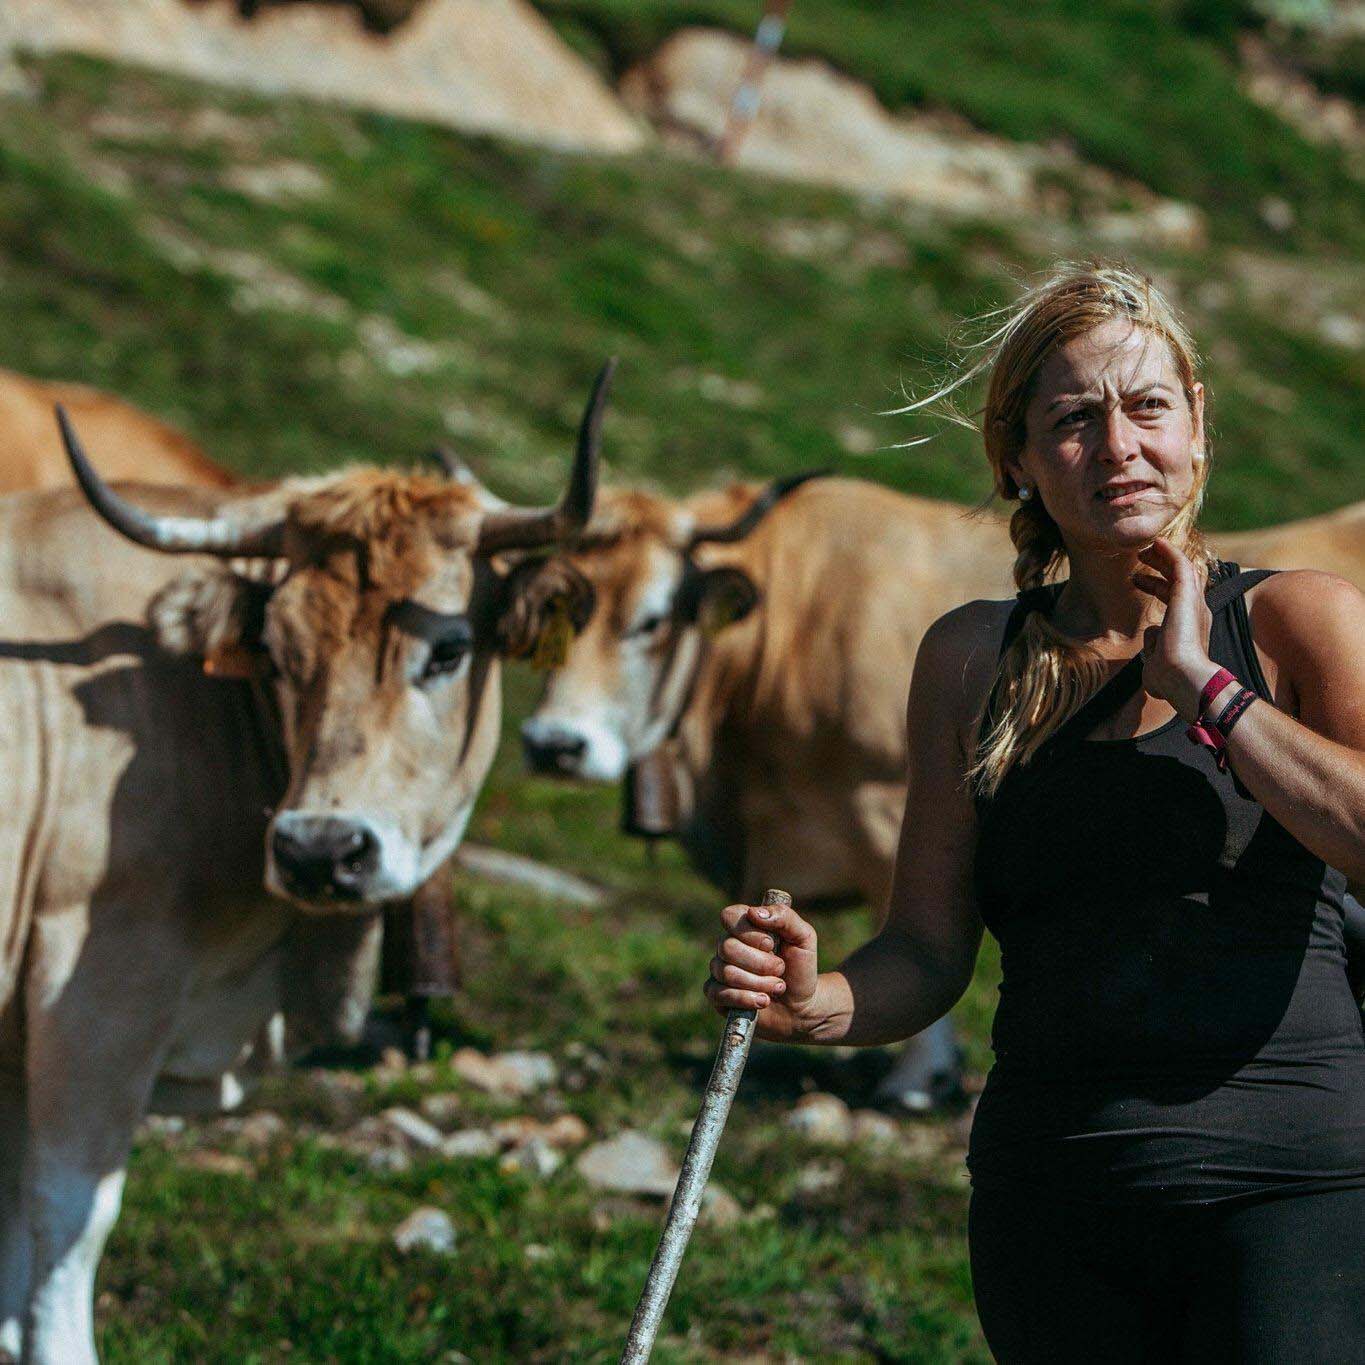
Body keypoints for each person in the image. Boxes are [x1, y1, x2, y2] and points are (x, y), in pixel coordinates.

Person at [704, 262, 1365, 1360]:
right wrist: (812, 1001)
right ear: (1017, 460)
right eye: (1073, 419)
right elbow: (924, 948)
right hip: (1053, 1200)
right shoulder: (972, 660)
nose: (1118, 447)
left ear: (1197, 428)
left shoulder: (1299, 624)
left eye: (1149, 408)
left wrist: (1209, 686)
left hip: (1294, 1194)